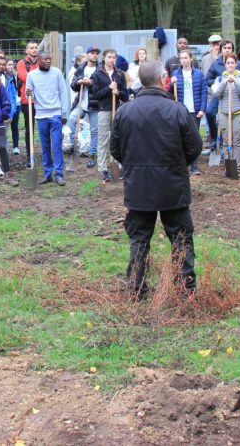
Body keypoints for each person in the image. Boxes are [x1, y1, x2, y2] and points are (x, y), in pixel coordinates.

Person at [111, 60, 203, 299]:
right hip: (171, 185)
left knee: (141, 239)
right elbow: (194, 146)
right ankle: (184, 291)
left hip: (142, 186)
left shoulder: (126, 111)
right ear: (163, 78)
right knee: (180, 238)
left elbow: (115, 148)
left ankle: (137, 288)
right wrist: (177, 165)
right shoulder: (176, 109)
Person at [24, 52, 71, 186]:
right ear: (39, 60)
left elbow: (63, 91)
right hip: (41, 115)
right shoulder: (31, 75)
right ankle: (47, 173)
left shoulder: (56, 73)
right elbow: (30, 97)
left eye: (50, 59)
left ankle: (59, 174)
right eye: (46, 59)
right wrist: (29, 94)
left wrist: (63, 113)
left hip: (55, 114)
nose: (48, 61)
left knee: (56, 145)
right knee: (45, 146)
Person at [91, 49, 129, 183]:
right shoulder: (97, 75)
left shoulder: (119, 74)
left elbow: (125, 94)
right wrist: (109, 88)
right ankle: (103, 169)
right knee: (103, 140)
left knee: (118, 138)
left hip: (117, 110)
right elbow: (95, 95)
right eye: (109, 57)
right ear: (104, 58)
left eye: (114, 57)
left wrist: (117, 91)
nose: (111, 59)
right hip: (104, 110)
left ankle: (118, 165)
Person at [210, 55, 240, 175]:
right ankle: (228, 169)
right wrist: (225, 82)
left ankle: (236, 169)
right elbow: (216, 94)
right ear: (225, 64)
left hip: (239, 114)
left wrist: (236, 81)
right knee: (226, 142)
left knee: (237, 142)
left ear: (236, 64)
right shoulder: (220, 78)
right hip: (224, 114)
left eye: (232, 62)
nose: (230, 65)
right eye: (228, 63)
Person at [171, 49, 206, 175]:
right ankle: (182, 164)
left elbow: (204, 93)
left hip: (195, 111)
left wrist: (202, 109)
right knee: (180, 138)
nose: (184, 60)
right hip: (181, 111)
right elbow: (170, 93)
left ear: (191, 59)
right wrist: (171, 83)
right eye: (182, 58)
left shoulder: (199, 74)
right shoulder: (176, 73)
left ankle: (195, 165)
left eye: (186, 58)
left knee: (194, 138)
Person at [71, 46, 101, 167]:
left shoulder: (100, 69)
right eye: (92, 53)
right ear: (87, 55)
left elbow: (102, 86)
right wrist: (78, 82)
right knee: (72, 120)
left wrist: (91, 83)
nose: (94, 55)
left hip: (95, 105)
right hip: (81, 104)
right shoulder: (80, 69)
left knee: (94, 130)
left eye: (96, 53)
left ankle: (92, 155)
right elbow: (73, 85)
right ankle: (74, 148)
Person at [204, 40, 235, 152]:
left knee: (230, 118)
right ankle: (215, 138)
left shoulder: (237, 63)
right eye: (225, 48)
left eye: (229, 48)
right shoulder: (216, 63)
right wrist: (219, 81)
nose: (227, 50)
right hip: (219, 95)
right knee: (209, 112)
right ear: (221, 49)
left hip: (233, 95)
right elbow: (207, 80)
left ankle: (230, 143)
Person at [15, 40, 40, 154]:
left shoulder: (42, 61)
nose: (34, 49)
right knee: (29, 128)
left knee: (43, 127)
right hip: (28, 100)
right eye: (31, 47)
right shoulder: (21, 63)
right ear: (27, 50)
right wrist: (40, 77)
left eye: (36, 47)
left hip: (41, 100)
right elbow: (24, 77)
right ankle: (30, 154)